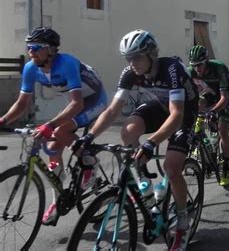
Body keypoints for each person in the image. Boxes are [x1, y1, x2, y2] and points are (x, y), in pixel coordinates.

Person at [72, 29, 198, 250]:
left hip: (183, 112)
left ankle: (182, 221)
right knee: (128, 132)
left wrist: (152, 142)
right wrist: (90, 137)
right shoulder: (130, 72)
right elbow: (112, 111)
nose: (132, 63)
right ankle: (144, 187)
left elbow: (176, 115)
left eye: (137, 57)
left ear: (151, 54)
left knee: (171, 167)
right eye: (128, 58)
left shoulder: (171, 69)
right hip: (158, 106)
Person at [0, 27, 107, 226]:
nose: (31, 52)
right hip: (75, 103)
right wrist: (3, 120)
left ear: (51, 50)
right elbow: (22, 103)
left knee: (59, 130)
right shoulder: (31, 68)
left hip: (93, 100)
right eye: (28, 47)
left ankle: (90, 164)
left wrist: (49, 124)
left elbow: (78, 104)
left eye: (36, 48)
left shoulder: (67, 63)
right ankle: (58, 199)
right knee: (52, 150)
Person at [187, 45, 229, 186]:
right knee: (198, 104)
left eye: (199, 65)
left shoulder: (218, 68)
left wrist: (213, 112)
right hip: (208, 94)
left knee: (222, 129)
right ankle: (202, 140)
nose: (197, 69)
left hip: (224, 96)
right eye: (194, 65)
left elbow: (224, 98)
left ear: (206, 61)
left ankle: (225, 163)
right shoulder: (191, 72)